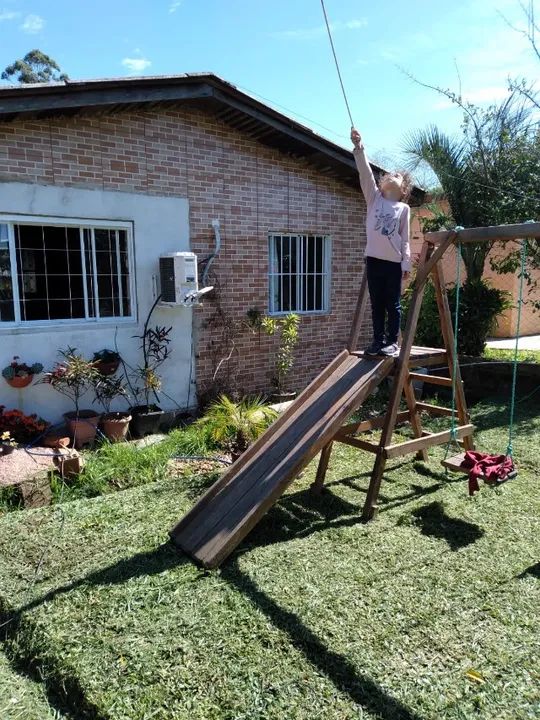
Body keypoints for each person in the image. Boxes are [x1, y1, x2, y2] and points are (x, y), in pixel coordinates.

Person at [351, 127, 412, 357]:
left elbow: (405, 239)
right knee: (376, 304)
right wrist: (359, 148)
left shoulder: (404, 209)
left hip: (393, 264)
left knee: (392, 305)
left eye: (397, 176)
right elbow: (365, 173)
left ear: (403, 188)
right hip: (374, 261)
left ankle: (392, 343)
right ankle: (378, 341)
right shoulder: (374, 199)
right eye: (389, 175)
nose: (392, 176)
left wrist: (406, 264)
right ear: (383, 182)